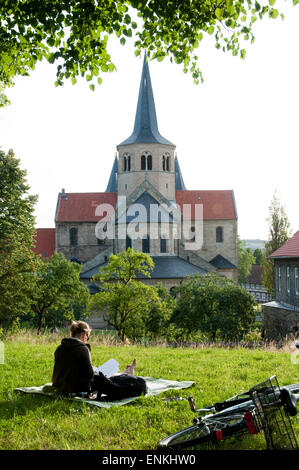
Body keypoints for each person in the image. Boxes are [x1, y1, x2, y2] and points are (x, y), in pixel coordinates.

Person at [52, 321, 147, 400]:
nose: (87, 340)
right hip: (75, 389)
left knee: (103, 376)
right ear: (84, 334)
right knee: (133, 384)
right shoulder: (82, 349)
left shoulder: (60, 348)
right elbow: (89, 376)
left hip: (60, 385)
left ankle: (126, 373)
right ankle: (127, 374)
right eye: (88, 337)